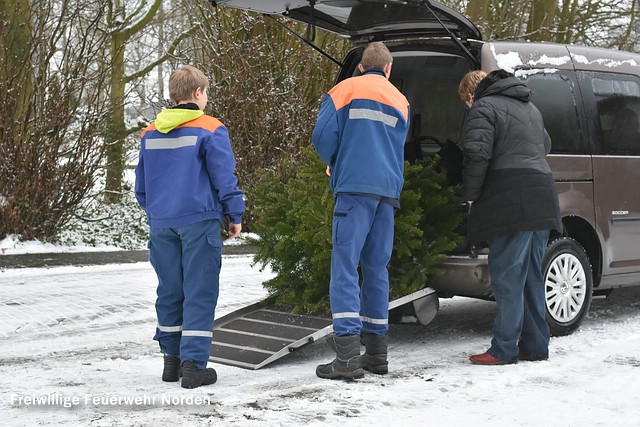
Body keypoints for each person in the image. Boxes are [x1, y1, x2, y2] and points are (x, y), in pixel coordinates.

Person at [134, 65, 244, 388]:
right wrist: (234, 214)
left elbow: (141, 187)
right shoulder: (210, 129)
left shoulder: (150, 132)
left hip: (161, 225)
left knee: (169, 291)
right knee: (199, 290)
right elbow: (224, 178)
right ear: (197, 93)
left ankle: (171, 361)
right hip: (199, 222)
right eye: (206, 92)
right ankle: (194, 365)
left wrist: (158, 212)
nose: (207, 97)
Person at [312, 42, 410, 380]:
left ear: (361, 66)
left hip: (354, 190)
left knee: (344, 268)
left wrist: (334, 162)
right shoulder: (401, 101)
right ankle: (377, 355)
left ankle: (347, 359)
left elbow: (321, 137)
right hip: (387, 192)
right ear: (387, 69)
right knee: (376, 269)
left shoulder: (344, 91)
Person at [457, 69, 562, 365]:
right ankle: (536, 345)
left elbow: (476, 153)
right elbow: (546, 145)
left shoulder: (484, 106)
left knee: (506, 276)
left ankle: (504, 348)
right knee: (530, 275)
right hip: (542, 195)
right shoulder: (530, 107)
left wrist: (471, 194)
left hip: (511, 198)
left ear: (470, 94)